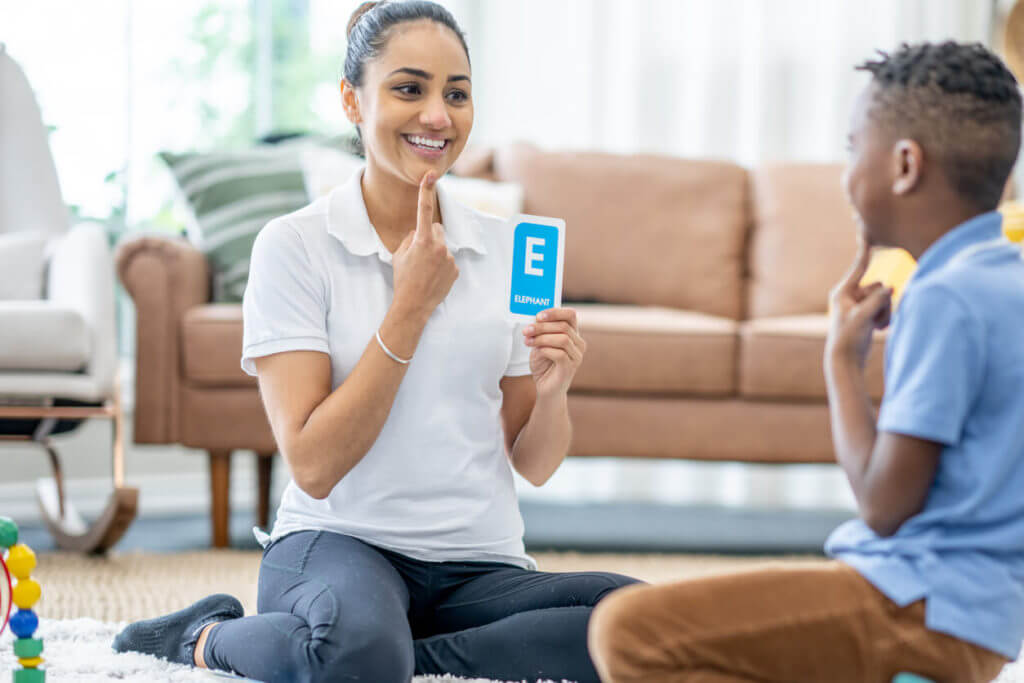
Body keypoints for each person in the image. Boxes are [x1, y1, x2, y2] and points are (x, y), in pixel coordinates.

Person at [113, 2, 638, 681]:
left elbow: (531, 462)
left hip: (478, 567)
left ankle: (393, 656)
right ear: (351, 101)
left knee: (637, 620)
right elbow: (314, 464)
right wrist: (409, 307)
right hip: (337, 546)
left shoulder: (507, 250)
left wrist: (554, 389)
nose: (437, 116)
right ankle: (206, 635)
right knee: (358, 650)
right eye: (408, 88)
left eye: (456, 93)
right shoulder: (295, 246)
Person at [588, 41, 1024, 683]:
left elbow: (883, 505)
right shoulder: (1004, 279)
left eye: (853, 149)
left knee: (628, 631)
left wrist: (841, 366)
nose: (845, 175)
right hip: (981, 620)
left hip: (918, 608)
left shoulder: (944, 297)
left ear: (905, 164)